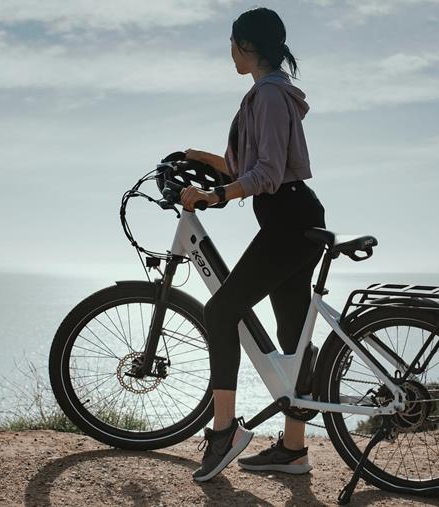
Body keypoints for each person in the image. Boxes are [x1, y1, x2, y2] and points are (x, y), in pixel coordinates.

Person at [179, 7, 326, 482]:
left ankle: (224, 431)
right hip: (295, 216)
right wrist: (194, 159)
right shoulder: (268, 93)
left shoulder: (266, 95)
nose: (229, 53)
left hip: (287, 221)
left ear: (245, 46)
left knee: (220, 311)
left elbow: (263, 174)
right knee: (291, 335)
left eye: (231, 44)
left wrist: (217, 194)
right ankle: (293, 450)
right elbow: (246, 163)